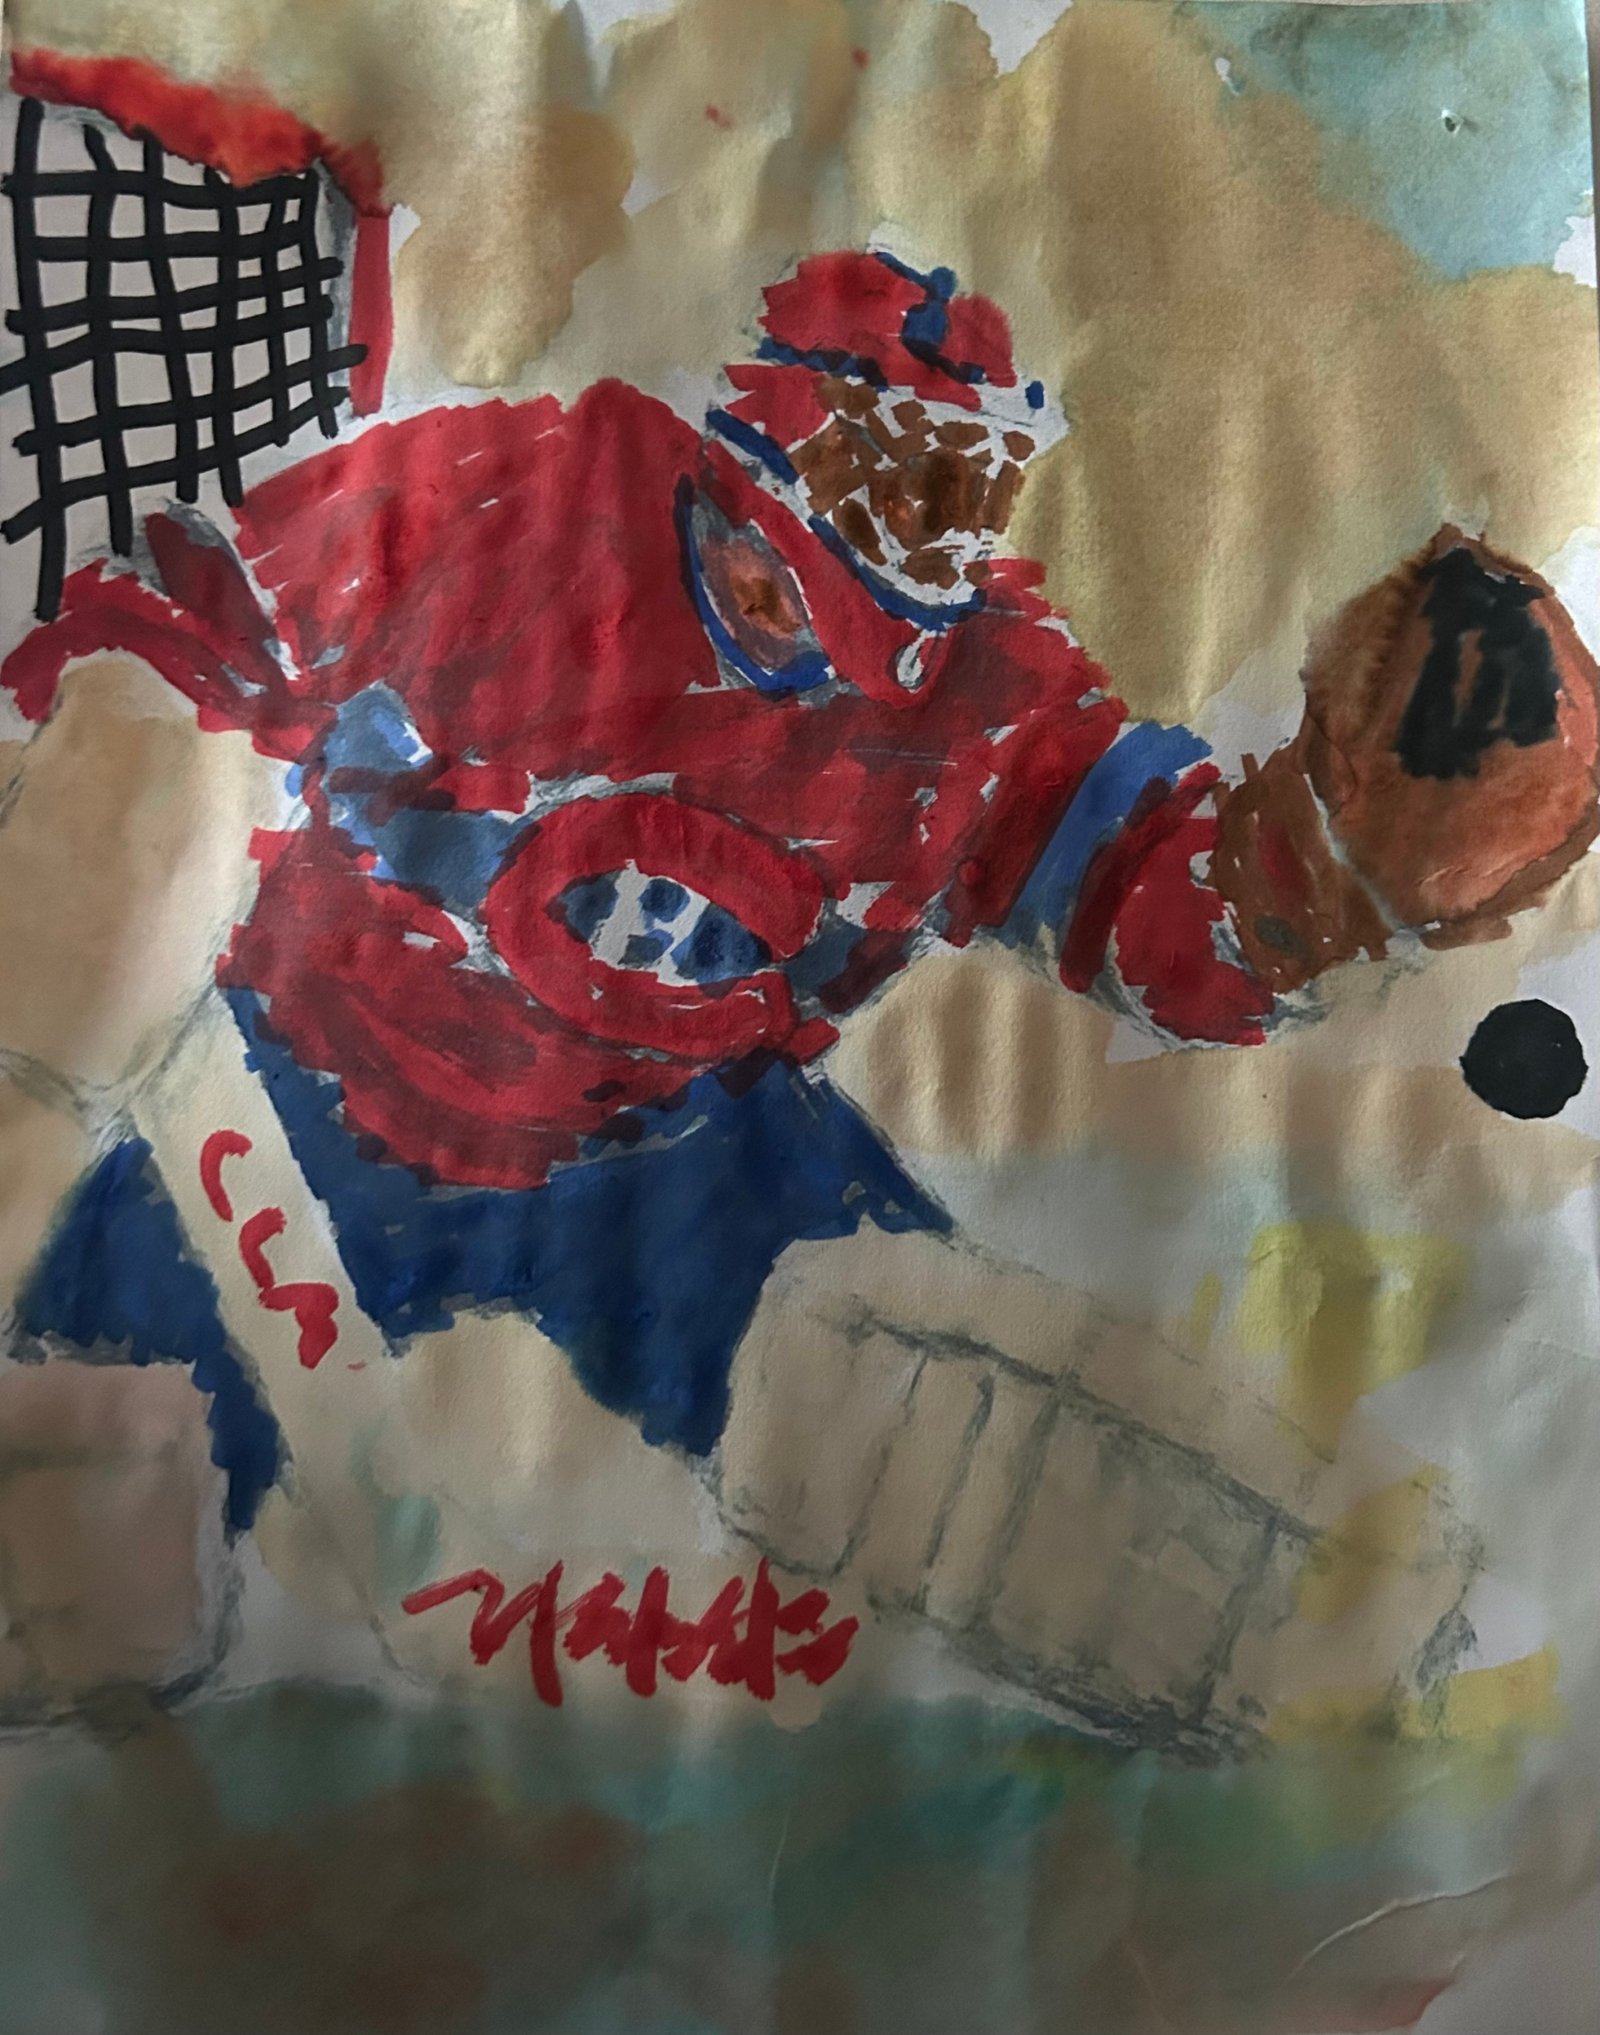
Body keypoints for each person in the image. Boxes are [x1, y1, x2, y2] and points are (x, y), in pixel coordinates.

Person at [8, 246, 1599, 1471]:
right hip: (312, 1081)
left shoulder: (983, 696)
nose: (932, 535)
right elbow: (171, 640)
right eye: (898, 474)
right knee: (93, 1496)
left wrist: (1335, 874)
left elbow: (1151, 900)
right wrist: (97, 813)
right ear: (778, 424)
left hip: (675, 1148)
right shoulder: (524, 493)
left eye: (968, 495)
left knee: (954, 1421)